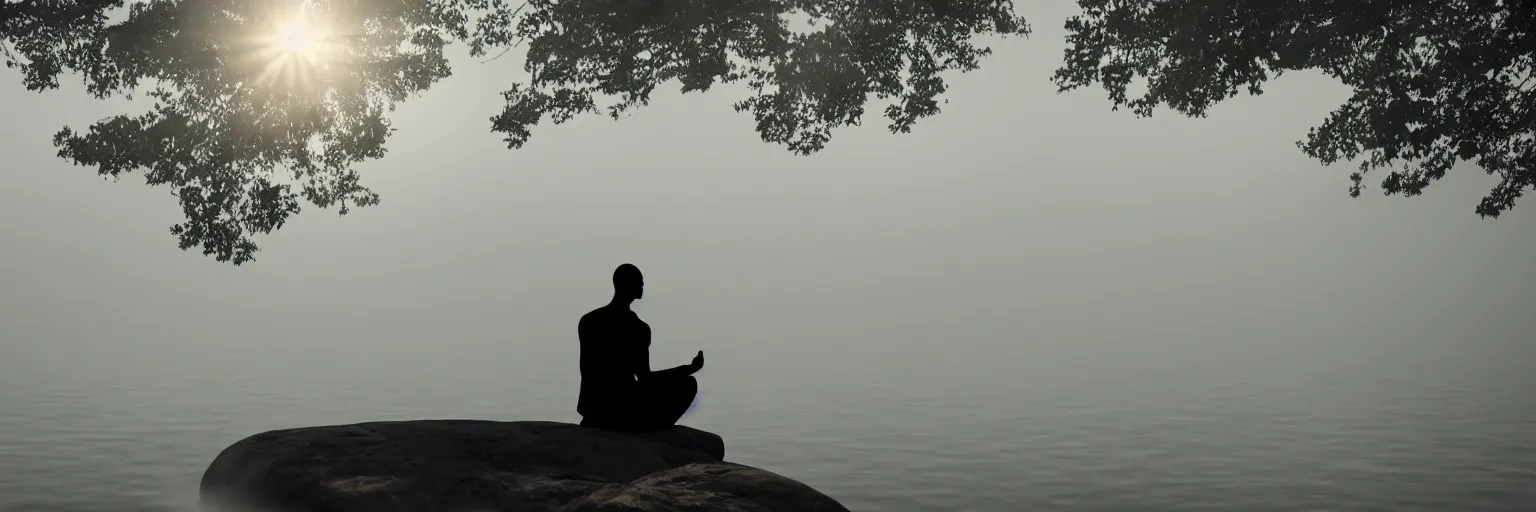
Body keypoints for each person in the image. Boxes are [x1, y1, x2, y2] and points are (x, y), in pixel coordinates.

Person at [577, 263, 704, 432]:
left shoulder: (588, 321)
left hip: (593, 411)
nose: (643, 285)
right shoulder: (638, 328)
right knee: (688, 384)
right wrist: (688, 369)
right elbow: (646, 380)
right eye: (640, 282)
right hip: (622, 411)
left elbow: (588, 371)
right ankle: (650, 429)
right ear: (629, 286)